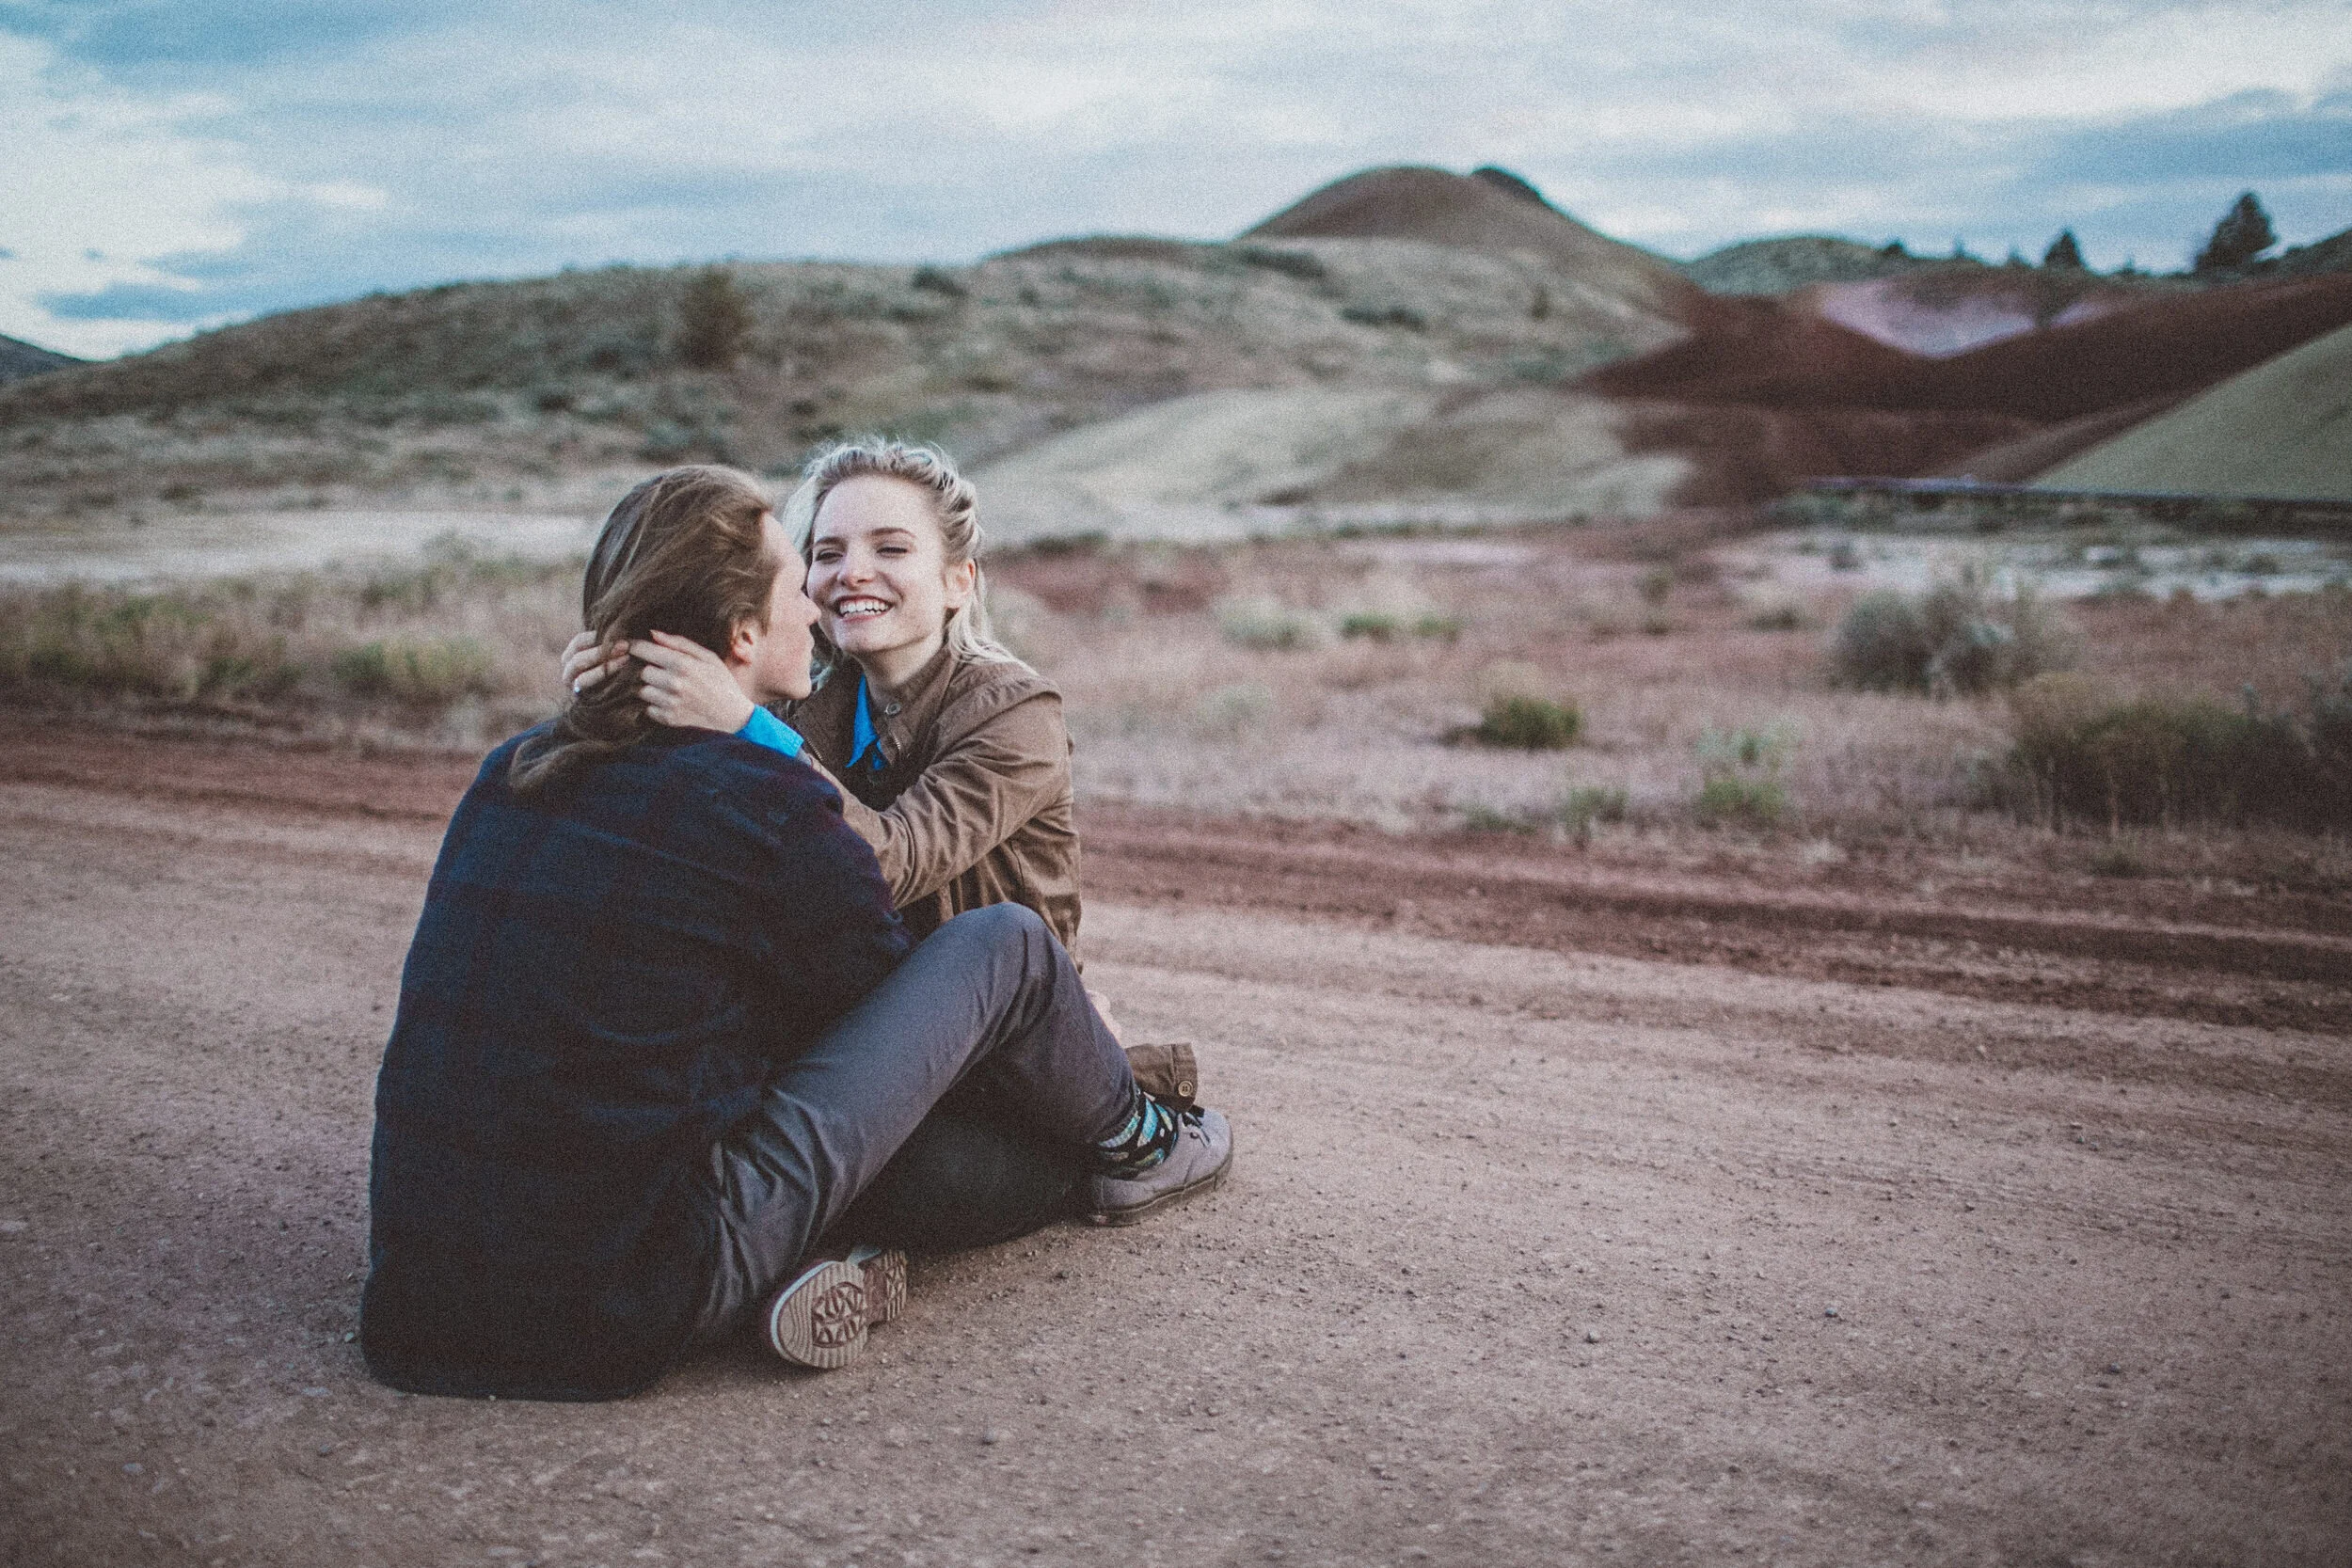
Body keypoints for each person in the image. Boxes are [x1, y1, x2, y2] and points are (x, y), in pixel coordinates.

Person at [361, 465, 1231, 1402]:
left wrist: (679, 713)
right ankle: (1126, 1122)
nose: (829, 594)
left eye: (891, 547)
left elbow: (884, 859)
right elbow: (844, 968)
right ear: (743, 631)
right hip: (637, 1286)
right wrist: (696, 715)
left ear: (958, 579)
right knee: (951, 1107)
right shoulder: (783, 736)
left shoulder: (515, 766)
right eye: (813, 562)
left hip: (412, 1307)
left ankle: (1091, 1074)